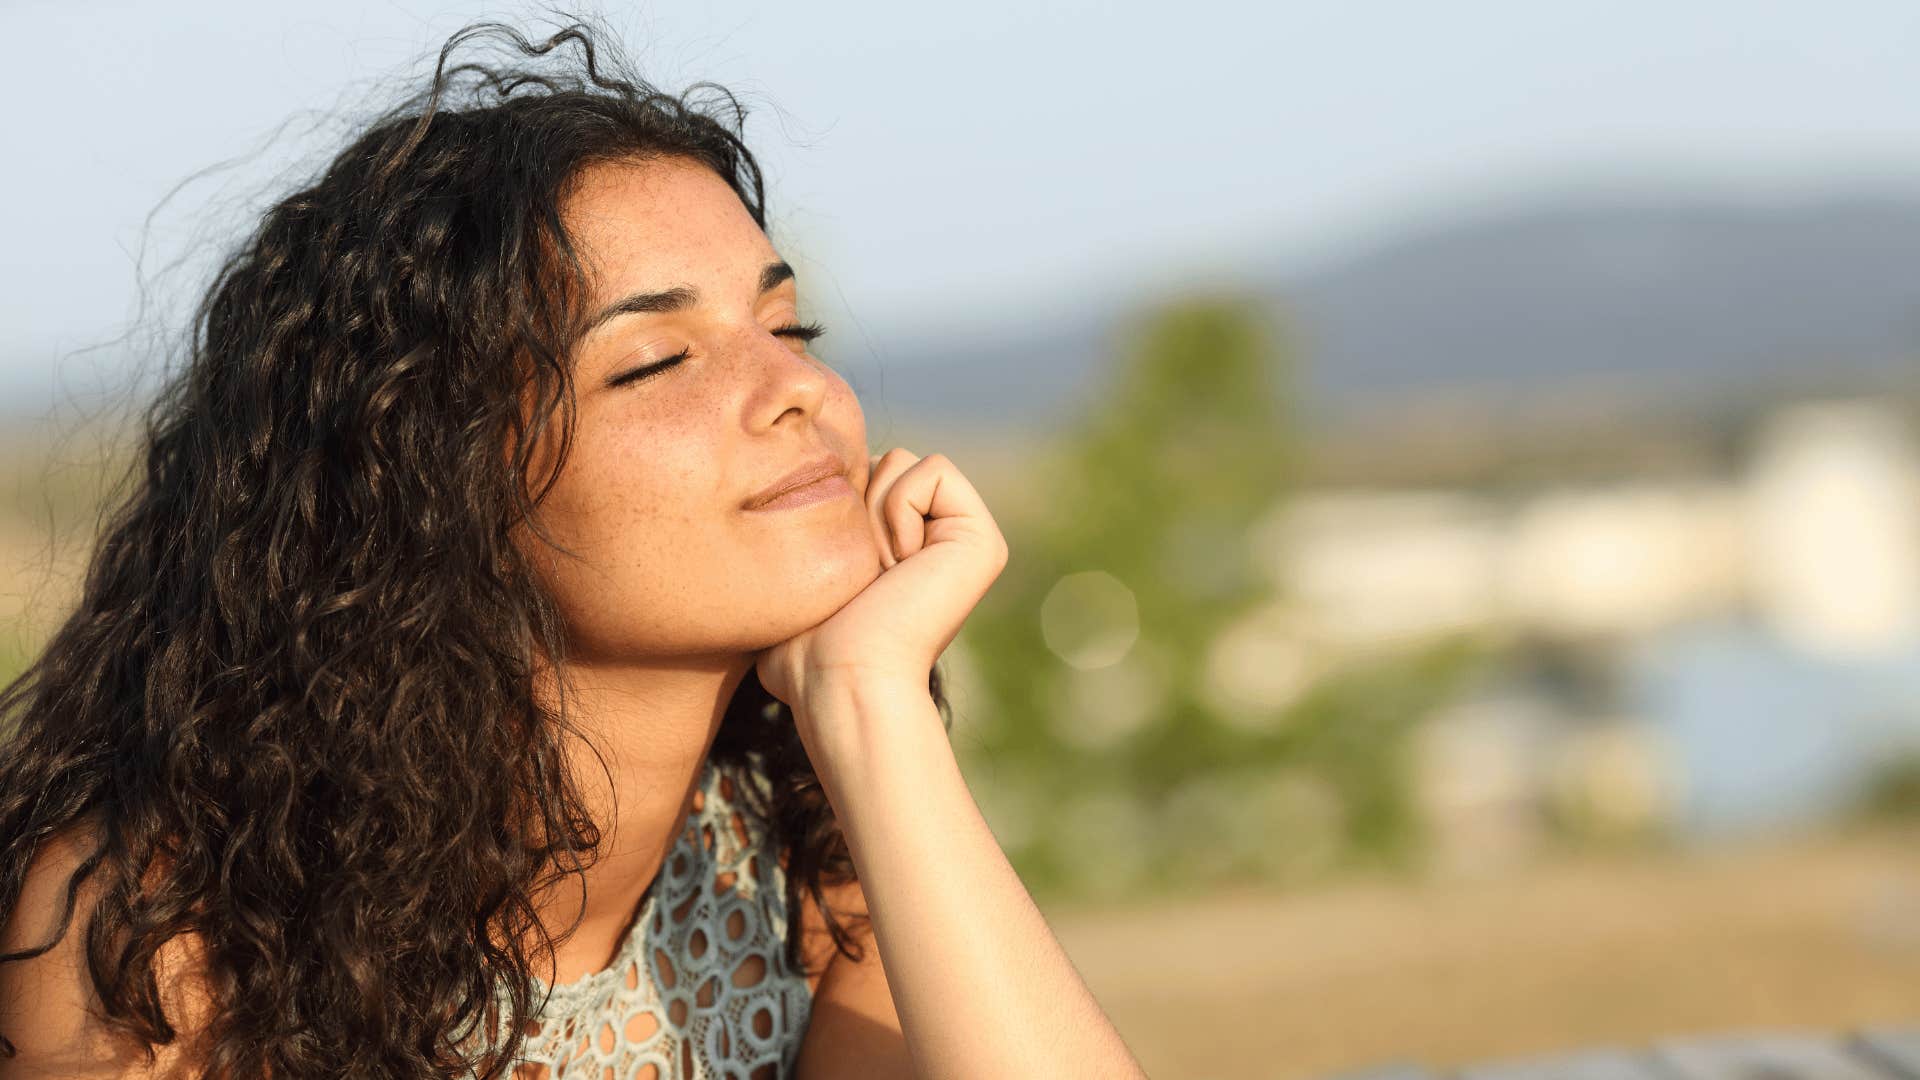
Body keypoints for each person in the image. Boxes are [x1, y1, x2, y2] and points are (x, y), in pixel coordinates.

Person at [0, 18, 1146, 1080]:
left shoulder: (805, 858)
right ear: (438, 487)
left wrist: (867, 702)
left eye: (790, 327)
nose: (798, 389)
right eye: (656, 362)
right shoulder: (168, 944)